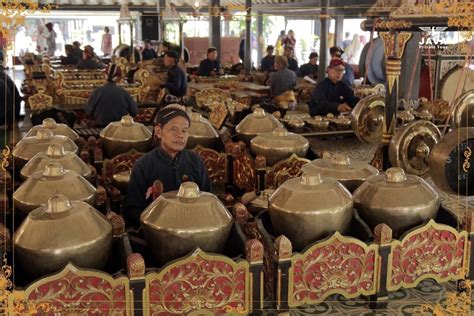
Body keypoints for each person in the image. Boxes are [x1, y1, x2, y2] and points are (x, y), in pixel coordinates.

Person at [124, 104, 211, 228]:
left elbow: (207, 198)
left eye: (184, 130)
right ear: (158, 131)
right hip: (157, 230)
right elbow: (133, 209)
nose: (180, 135)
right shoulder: (144, 165)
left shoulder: (195, 161)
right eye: (174, 129)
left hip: (193, 226)